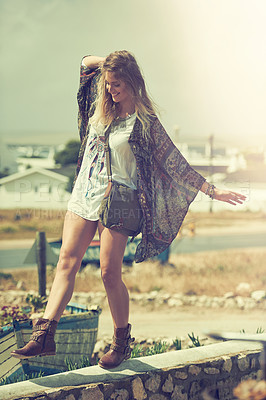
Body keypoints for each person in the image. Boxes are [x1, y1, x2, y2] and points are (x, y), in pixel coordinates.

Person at [11, 50, 246, 369]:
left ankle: (121, 343)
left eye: (117, 83)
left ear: (134, 82)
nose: (110, 89)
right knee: (67, 260)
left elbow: (175, 164)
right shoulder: (98, 105)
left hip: (120, 199)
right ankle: (44, 334)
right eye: (108, 83)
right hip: (85, 191)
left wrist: (213, 190)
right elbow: (85, 65)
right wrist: (109, 64)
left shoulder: (145, 122)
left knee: (109, 272)